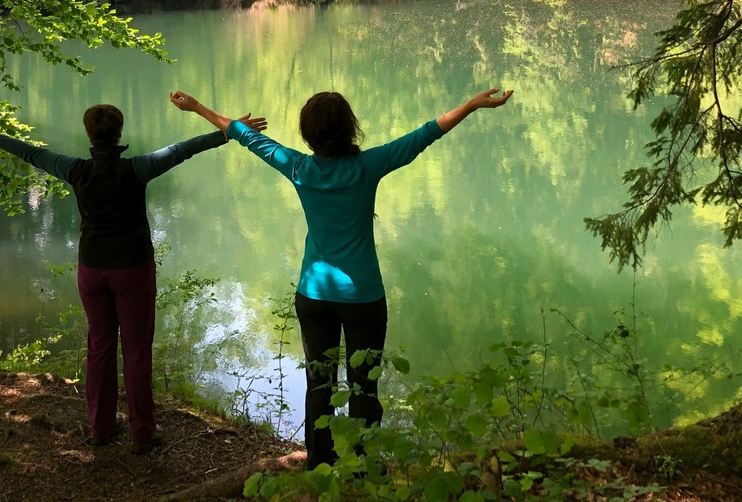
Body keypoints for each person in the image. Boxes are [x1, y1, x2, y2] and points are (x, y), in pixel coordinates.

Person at [168, 86, 513, 469]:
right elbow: (426, 133)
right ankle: (365, 464)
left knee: (320, 383)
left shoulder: (298, 167)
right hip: (363, 298)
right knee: (365, 384)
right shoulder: (368, 166)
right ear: (350, 128)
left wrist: (196, 106)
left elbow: (244, 135)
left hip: (314, 297)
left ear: (307, 134)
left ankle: (321, 463)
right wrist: (471, 105)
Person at [0, 104, 266, 453]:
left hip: (93, 270)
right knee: (135, 351)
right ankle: (143, 433)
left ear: (89, 133)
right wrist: (230, 132)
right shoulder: (137, 168)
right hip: (132, 270)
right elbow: (183, 150)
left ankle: (101, 428)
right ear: (119, 133)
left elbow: (32, 154)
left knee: (100, 347)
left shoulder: (75, 170)